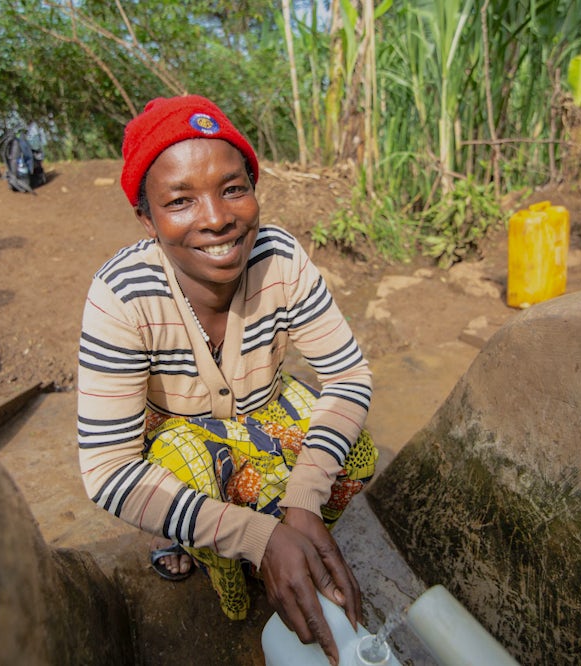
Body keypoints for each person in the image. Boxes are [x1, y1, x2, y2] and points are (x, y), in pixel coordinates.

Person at [77, 95, 377, 664]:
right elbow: (108, 470)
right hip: (178, 433)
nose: (216, 218)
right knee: (187, 469)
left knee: (352, 454)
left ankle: (291, 531)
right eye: (180, 200)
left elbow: (347, 374)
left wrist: (305, 501)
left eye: (233, 188)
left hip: (262, 409)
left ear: (254, 191)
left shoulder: (279, 258)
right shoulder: (121, 295)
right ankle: (218, 545)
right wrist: (255, 538)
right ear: (147, 218)